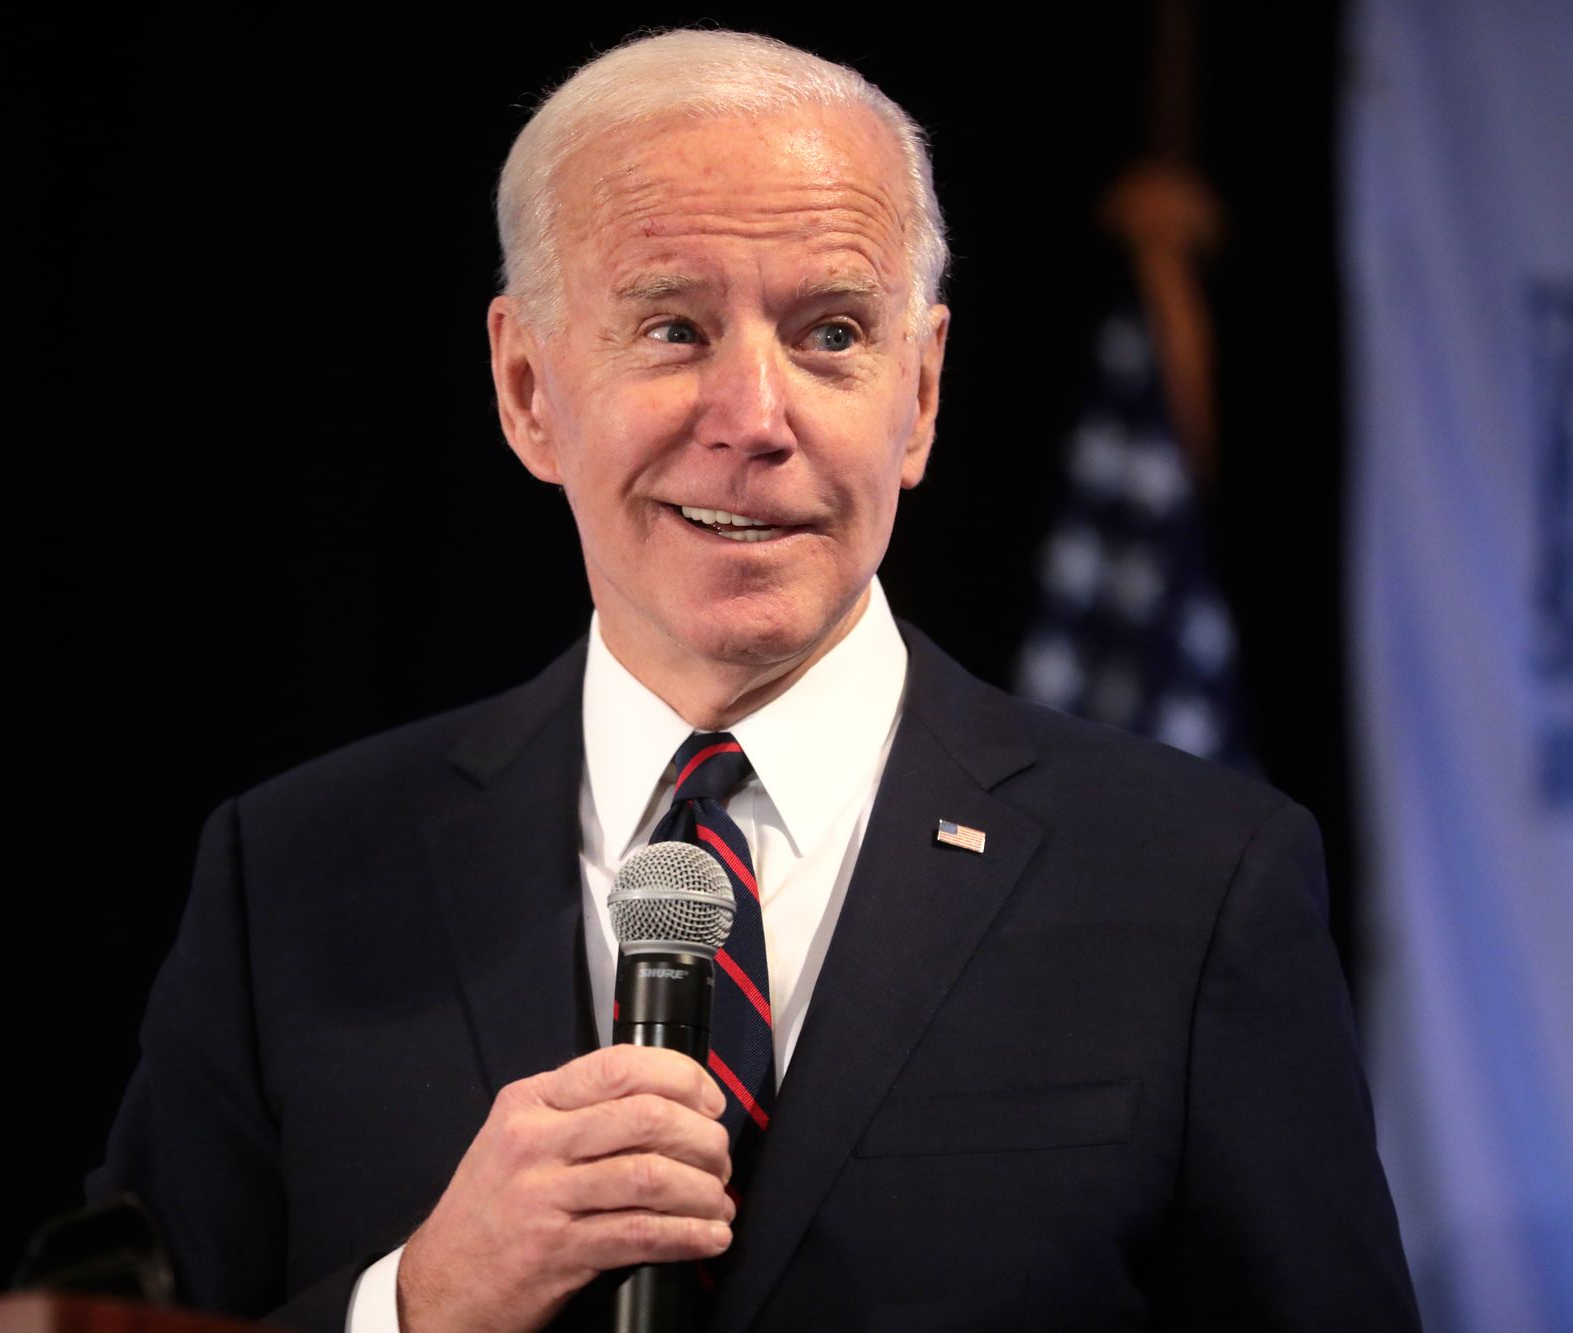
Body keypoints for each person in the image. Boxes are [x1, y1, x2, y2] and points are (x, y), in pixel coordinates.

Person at [89, 29, 1419, 1331]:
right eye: (674, 328)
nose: (756, 420)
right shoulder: (296, 878)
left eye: (831, 333)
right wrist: (419, 1305)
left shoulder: (1196, 883)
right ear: (527, 387)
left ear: (922, 393)